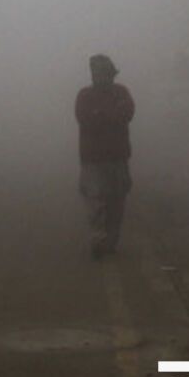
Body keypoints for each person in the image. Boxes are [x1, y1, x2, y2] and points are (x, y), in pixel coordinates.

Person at [74, 54, 135, 259]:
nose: (100, 76)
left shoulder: (122, 92)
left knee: (117, 203)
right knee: (96, 203)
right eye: (97, 72)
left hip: (118, 158)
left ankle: (111, 242)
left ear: (111, 74)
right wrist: (110, 115)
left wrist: (100, 114)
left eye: (104, 72)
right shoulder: (84, 95)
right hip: (93, 160)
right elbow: (85, 119)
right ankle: (99, 241)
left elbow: (127, 113)